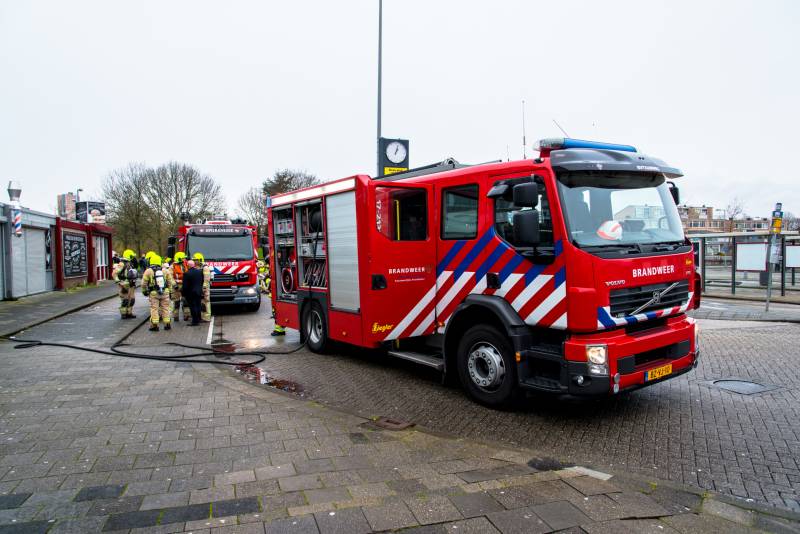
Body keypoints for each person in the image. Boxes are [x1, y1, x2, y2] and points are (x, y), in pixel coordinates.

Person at [141, 254, 174, 331]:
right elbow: (170, 282)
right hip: (165, 292)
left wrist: (144, 291)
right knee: (165, 308)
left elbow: (143, 283)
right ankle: (167, 324)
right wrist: (170, 291)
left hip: (153, 293)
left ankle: (154, 325)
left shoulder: (148, 271)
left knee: (154, 309)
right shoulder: (165, 270)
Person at [112, 249, 137, 319]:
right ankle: (123, 314)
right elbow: (114, 273)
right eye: (132, 256)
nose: (133, 258)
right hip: (124, 285)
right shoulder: (122, 263)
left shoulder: (130, 263)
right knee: (125, 300)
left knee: (132, 300)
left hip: (131, 285)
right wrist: (119, 282)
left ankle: (129, 313)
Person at [182, 259, 204, 325]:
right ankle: (199, 318)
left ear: (188, 266)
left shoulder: (186, 274)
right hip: (198, 291)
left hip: (190, 293)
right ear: (194, 265)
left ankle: (195, 321)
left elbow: (185, 286)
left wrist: (183, 293)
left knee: (192, 306)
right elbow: (202, 281)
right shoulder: (199, 272)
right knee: (198, 305)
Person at [192, 252, 212, 321]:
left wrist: (204, 288)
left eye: (196, 260)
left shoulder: (205, 267)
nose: (194, 261)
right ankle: (202, 316)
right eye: (194, 260)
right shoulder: (196, 267)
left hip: (204, 288)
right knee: (200, 302)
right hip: (198, 287)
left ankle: (206, 317)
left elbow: (206, 279)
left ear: (200, 260)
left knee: (205, 301)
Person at [171, 252, 188, 321]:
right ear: (179, 258)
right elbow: (170, 278)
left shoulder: (185, 265)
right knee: (176, 302)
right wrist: (174, 285)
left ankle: (186, 315)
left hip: (185, 284)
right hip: (176, 285)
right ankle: (175, 316)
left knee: (185, 301)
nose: (184, 259)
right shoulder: (172, 267)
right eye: (183, 258)